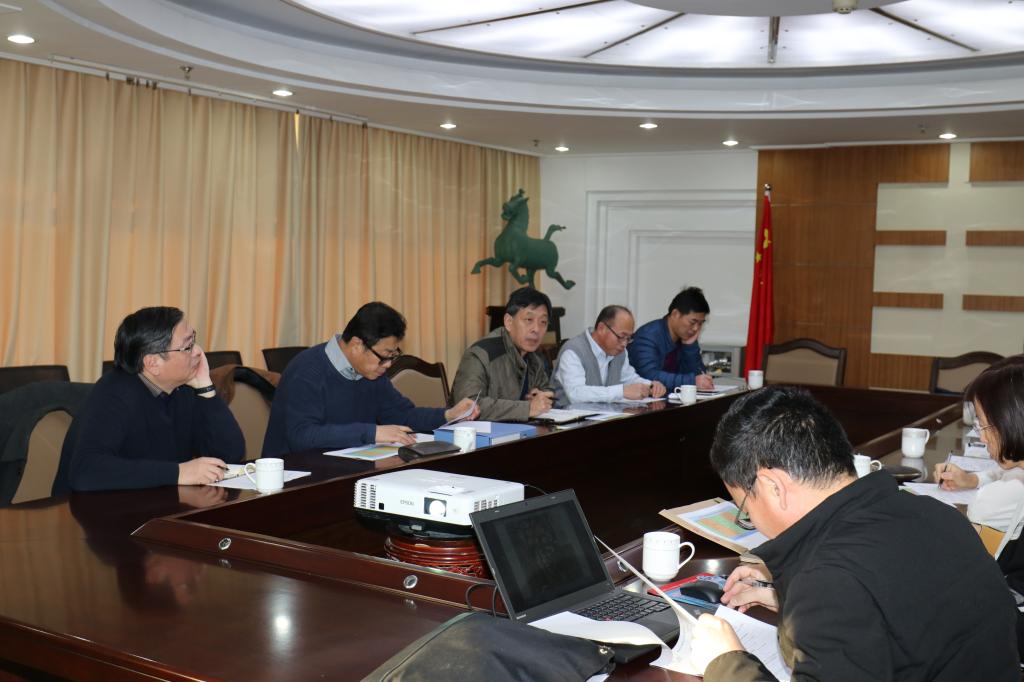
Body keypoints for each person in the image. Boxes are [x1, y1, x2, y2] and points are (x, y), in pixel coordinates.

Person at [690, 386, 1017, 681]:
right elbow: (899, 610)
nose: (751, 518)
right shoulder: (935, 513)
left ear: (773, 486)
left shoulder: (828, 582)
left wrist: (726, 661)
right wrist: (790, 602)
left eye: (745, 507)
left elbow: (849, 590)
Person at [55, 306, 245, 492]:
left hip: (156, 502)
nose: (197, 351)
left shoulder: (182, 388)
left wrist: (206, 387)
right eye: (187, 346)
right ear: (153, 363)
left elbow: (229, 456)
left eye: (193, 339)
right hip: (93, 508)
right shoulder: (113, 394)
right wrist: (178, 473)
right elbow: (85, 471)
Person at [262, 302, 478, 456]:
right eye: (384, 356)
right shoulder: (307, 370)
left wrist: (448, 414)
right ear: (357, 344)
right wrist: (372, 433)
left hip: (346, 470)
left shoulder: (371, 373)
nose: (388, 365)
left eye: (393, 355)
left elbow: (402, 414)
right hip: (296, 479)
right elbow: (302, 436)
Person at [934, 356, 1024, 532]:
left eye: (984, 426)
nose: (982, 438)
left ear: (1011, 422)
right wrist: (972, 480)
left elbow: (979, 511)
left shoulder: (997, 499)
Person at [450, 287, 556, 421]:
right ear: (509, 322)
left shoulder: (534, 357)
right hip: (476, 433)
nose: (536, 329)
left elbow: (548, 392)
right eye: (529, 320)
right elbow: (467, 407)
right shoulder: (480, 355)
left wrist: (544, 398)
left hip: (519, 431)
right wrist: (527, 408)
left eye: (543, 322)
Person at [552, 305, 666, 405]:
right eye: (621, 337)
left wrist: (650, 385)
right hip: (567, 419)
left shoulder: (620, 351)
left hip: (603, 418)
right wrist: (621, 391)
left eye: (628, 338)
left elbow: (628, 378)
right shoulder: (573, 351)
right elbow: (576, 394)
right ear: (601, 328)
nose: (624, 344)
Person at [628, 286, 714, 391]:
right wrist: (691, 381)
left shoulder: (685, 338)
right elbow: (650, 376)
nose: (696, 328)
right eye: (693, 322)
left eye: (700, 324)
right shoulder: (648, 335)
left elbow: (699, 375)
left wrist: (690, 347)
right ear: (675, 314)